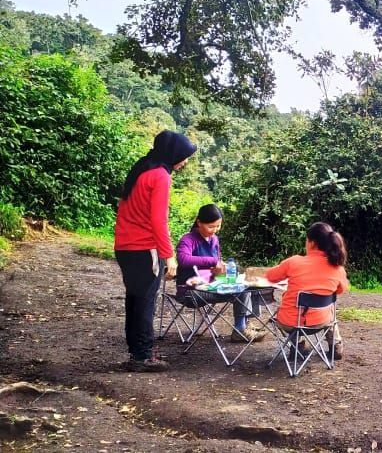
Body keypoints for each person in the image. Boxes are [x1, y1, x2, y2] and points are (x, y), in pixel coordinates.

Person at [114, 130, 196, 372]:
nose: (185, 161)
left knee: (134, 299)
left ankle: (137, 352)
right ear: (173, 153)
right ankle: (143, 356)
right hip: (143, 247)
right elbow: (158, 220)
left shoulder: (142, 167)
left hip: (125, 246)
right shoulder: (160, 176)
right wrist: (169, 255)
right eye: (184, 155)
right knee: (145, 301)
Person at [175, 204, 265, 343]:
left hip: (209, 285)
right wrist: (212, 261)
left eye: (218, 226)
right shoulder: (188, 240)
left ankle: (245, 323)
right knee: (241, 291)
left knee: (249, 284)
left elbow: (216, 265)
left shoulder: (214, 240)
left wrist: (218, 270)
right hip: (189, 291)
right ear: (199, 222)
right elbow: (183, 259)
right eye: (211, 226)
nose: (214, 230)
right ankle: (240, 330)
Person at [264, 222, 349, 360]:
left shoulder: (294, 262)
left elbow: (270, 276)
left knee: (294, 309)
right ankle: (336, 345)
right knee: (330, 306)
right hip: (321, 321)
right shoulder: (337, 268)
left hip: (290, 322)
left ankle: (298, 346)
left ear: (312, 243)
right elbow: (340, 290)